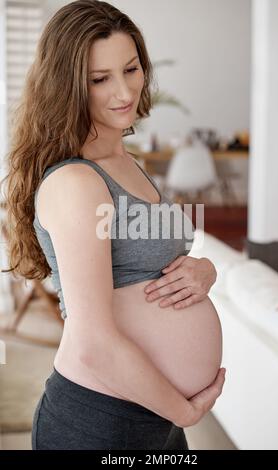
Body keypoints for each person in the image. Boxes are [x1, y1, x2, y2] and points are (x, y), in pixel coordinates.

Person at [1, 0, 225, 450]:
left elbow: (156, 260)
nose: (124, 93)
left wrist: (206, 270)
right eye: (99, 79)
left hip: (153, 414)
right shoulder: (76, 181)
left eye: (132, 69)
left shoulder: (127, 162)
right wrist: (184, 410)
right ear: (67, 86)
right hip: (100, 419)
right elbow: (92, 341)